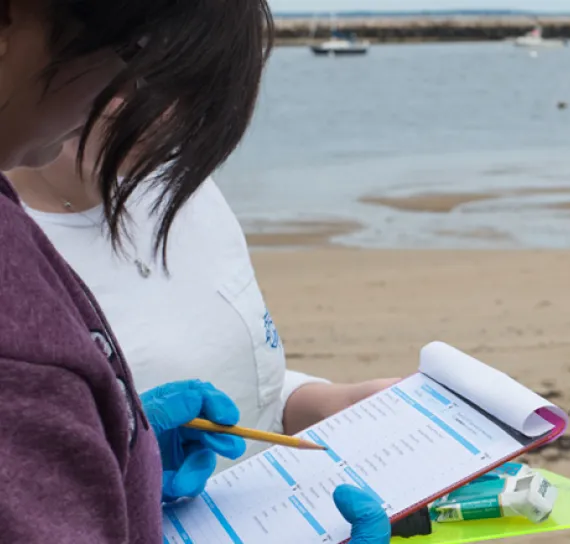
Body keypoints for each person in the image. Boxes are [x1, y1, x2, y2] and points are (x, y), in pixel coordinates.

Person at [0, 0, 388, 542]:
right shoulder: (19, 275)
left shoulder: (180, 191)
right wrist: (124, 457)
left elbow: (249, 380)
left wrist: (334, 404)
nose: (165, 118)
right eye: (133, 69)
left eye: (193, 92)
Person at [7, 134, 401, 467]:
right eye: (137, 62)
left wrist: (335, 404)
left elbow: (250, 388)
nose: (173, 110)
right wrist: (130, 477)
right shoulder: (18, 251)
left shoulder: (181, 181)